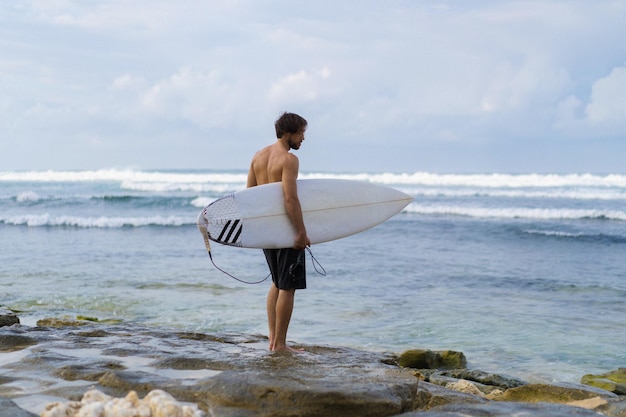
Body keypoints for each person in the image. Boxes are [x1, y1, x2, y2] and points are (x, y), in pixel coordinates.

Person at [247, 112, 311, 352]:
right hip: (286, 232)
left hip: (268, 231)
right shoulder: (288, 160)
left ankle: (273, 341)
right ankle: (281, 345)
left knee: (276, 281)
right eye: (300, 133)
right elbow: (290, 199)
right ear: (288, 133)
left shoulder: (257, 157)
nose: (303, 138)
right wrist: (301, 232)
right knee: (287, 286)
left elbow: (250, 196)